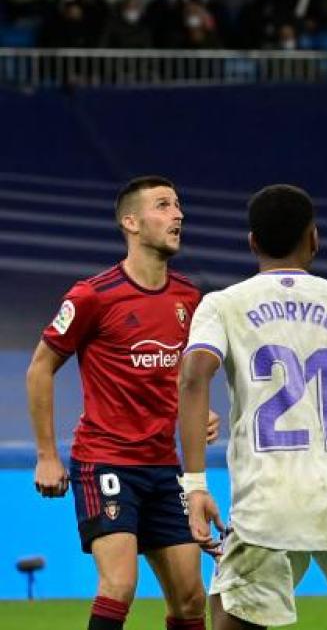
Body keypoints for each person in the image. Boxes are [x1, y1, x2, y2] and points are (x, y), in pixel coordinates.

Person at [178, 184, 327, 630]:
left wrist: (195, 484)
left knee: (229, 611)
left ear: (252, 243)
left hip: (266, 504)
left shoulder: (222, 305)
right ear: (315, 238)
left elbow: (194, 377)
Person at [25, 176, 217, 630]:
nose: (178, 215)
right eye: (164, 205)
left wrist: (194, 409)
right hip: (105, 461)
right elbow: (39, 369)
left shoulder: (190, 297)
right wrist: (47, 456)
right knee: (120, 585)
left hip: (163, 466)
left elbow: (172, 372)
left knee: (191, 599)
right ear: (131, 222)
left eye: (178, 205)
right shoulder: (92, 295)